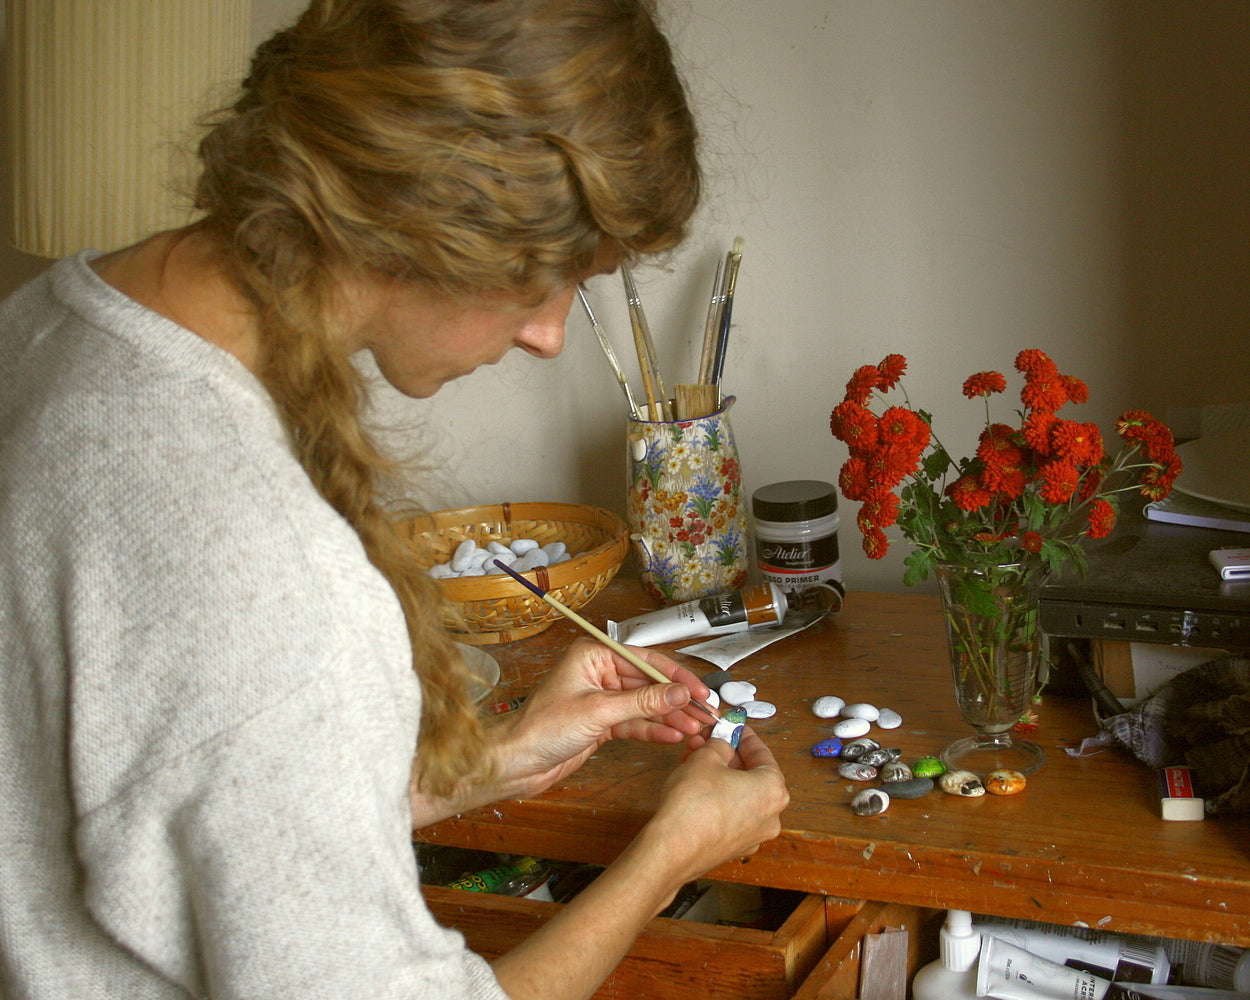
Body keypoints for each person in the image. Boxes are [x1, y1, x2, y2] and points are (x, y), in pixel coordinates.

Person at [0, 2, 790, 998]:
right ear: (438, 223)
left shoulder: (55, 322)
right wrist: (663, 857)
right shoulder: (273, 574)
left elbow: (162, 801)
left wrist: (483, 765)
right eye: (551, 278)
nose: (548, 334)